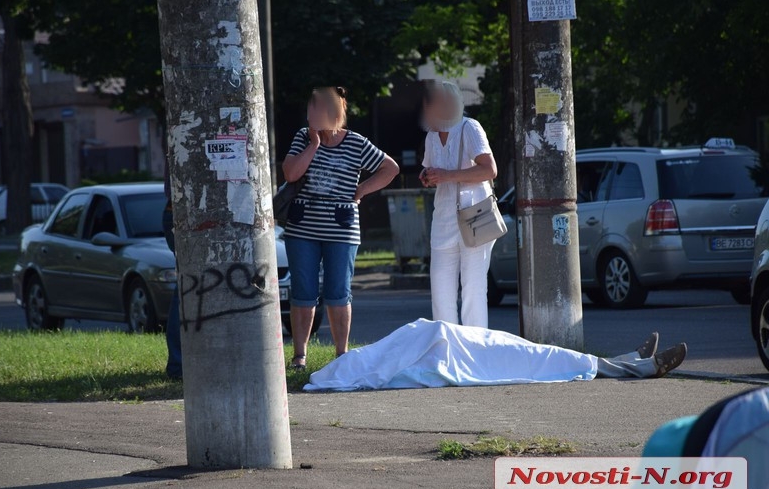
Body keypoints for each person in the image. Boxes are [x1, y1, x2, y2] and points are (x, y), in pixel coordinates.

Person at [281, 87, 399, 369]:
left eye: (318, 109)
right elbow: (290, 173)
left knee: (338, 292)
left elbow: (390, 168)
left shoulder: (357, 143)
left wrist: (361, 190)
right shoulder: (302, 137)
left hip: (342, 227)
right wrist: (313, 145)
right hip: (303, 227)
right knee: (303, 292)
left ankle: (341, 355)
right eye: (310, 109)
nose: (312, 114)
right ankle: (299, 356)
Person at [304, 320, 687, 392]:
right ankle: (638, 368)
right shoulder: (355, 370)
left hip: (452, 339)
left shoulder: (358, 363)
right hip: (456, 354)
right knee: (540, 359)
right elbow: (382, 369)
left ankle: (626, 361)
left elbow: (389, 355)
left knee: (539, 353)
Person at [420, 81, 498, 328]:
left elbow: (490, 170)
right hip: (443, 220)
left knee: (473, 290)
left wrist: (447, 175)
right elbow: (432, 170)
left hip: (475, 216)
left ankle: (475, 352)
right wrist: (428, 177)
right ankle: (447, 350)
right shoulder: (431, 136)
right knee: (440, 292)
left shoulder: (470, 127)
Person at [162, 184, 182, 380]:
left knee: (187, 287)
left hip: (180, 209)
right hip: (183, 210)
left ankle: (179, 364)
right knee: (187, 286)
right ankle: (178, 365)